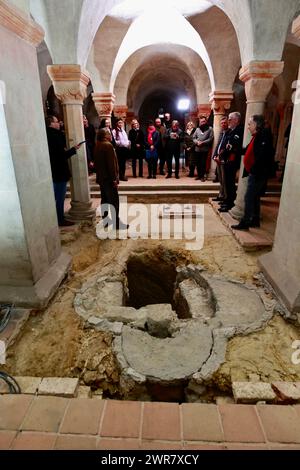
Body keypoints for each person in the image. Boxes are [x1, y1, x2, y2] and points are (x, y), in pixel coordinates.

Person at [232, 114, 274, 230]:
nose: (248, 127)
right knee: (254, 197)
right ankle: (255, 219)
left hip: (258, 173)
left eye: (250, 124)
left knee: (249, 197)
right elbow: (248, 150)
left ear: (256, 124)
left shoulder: (263, 136)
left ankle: (245, 222)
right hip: (255, 172)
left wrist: (254, 170)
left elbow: (262, 156)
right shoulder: (256, 136)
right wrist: (235, 150)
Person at [46, 115, 83, 227]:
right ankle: (60, 220)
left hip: (53, 171)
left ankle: (58, 217)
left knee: (57, 198)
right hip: (59, 172)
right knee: (59, 198)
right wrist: (73, 150)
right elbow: (60, 156)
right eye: (57, 122)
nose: (59, 123)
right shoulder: (54, 136)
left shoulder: (48, 135)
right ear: (51, 124)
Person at [94, 128, 129, 230]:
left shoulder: (98, 144)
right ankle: (116, 223)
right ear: (106, 135)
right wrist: (114, 179)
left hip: (101, 178)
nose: (111, 135)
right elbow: (111, 165)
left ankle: (106, 221)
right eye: (109, 134)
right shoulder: (108, 145)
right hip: (109, 179)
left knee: (104, 199)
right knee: (114, 201)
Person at [218, 112, 243, 212]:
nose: (228, 121)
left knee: (230, 183)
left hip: (232, 161)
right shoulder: (232, 130)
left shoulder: (239, 130)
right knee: (227, 183)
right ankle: (227, 201)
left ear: (236, 120)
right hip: (228, 160)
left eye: (230, 119)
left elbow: (234, 146)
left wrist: (228, 149)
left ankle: (230, 203)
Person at [212, 116, 229, 202]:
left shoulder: (229, 133)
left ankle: (225, 197)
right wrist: (214, 155)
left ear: (228, 123)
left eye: (224, 123)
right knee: (221, 179)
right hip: (218, 158)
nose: (223, 124)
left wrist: (219, 155)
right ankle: (221, 195)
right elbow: (218, 145)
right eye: (221, 123)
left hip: (224, 159)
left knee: (225, 179)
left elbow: (226, 148)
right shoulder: (222, 132)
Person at [193, 116, 214, 181]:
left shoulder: (210, 129)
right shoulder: (197, 129)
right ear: (199, 122)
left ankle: (202, 176)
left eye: (203, 121)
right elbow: (194, 138)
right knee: (198, 163)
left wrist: (203, 142)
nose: (202, 122)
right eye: (201, 121)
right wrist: (197, 142)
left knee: (203, 163)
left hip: (205, 149)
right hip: (197, 149)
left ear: (206, 121)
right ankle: (199, 175)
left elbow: (211, 138)